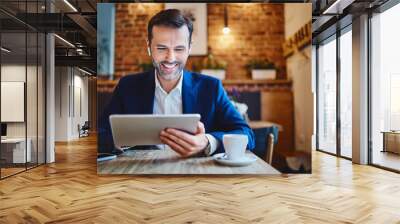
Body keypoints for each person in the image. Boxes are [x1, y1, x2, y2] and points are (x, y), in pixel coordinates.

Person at [98, 9, 255, 157]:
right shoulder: (127, 86)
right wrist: (119, 142)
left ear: (189, 49)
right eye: (161, 48)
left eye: (179, 49)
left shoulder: (211, 87)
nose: (170, 58)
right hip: (140, 175)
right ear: (148, 47)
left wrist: (207, 141)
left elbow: (246, 134)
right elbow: (99, 133)